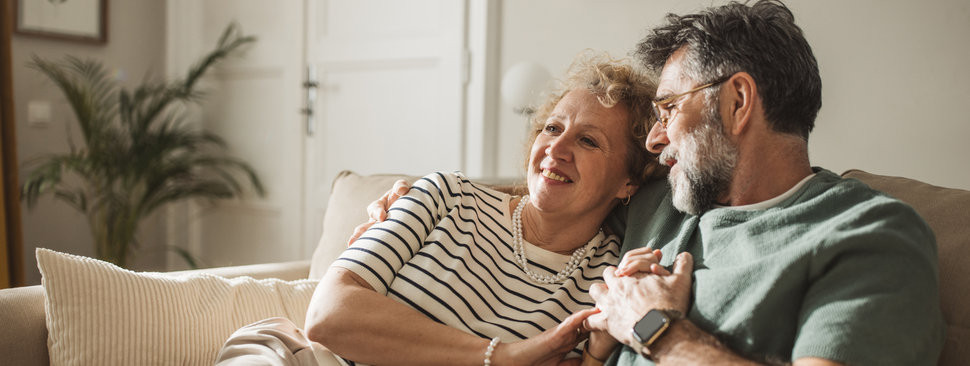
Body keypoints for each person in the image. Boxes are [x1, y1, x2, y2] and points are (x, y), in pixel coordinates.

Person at [359, 1, 946, 365]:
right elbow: (560, 187)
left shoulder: (869, 237)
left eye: (669, 110)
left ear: (737, 101)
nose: (654, 139)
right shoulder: (665, 199)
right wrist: (419, 196)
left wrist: (657, 329)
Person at [214, 51, 666, 366]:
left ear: (630, 181)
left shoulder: (608, 280)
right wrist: (501, 356)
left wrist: (598, 352)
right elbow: (328, 316)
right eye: (552, 127)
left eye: (588, 140)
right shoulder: (444, 195)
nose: (556, 148)